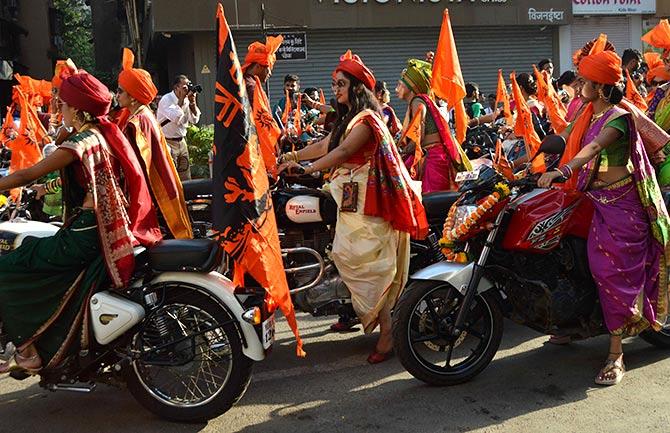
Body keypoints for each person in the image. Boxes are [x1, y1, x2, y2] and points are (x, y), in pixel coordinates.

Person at [0, 71, 161, 374]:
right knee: (32, 250)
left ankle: (27, 348)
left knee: (7, 267)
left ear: (75, 109)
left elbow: (25, 176)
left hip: (84, 235)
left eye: (62, 105)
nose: (58, 109)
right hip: (104, 231)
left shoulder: (82, 142)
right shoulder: (104, 132)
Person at [278, 51, 427, 364]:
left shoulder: (368, 120)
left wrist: (307, 170)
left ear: (358, 88)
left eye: (341, 83)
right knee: (346, 259)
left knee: (366, 267)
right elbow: (325, 145)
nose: (336, 89)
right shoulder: (348, 119)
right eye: (334, 84)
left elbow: (345, 149)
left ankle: (388, 331)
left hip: (366, 204)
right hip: (348, 200)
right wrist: (291, 158)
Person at [538, 50, 669, 386]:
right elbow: (565, 137)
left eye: (584, 81)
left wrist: (564, 170)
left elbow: (594, 148)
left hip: (622, 207)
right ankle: (566, 324)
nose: (578, 84)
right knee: (563, 256)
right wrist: (537, 162)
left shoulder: (617, 119)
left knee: (607, 272)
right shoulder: (585, 112)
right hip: (590, 200)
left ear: (600, 87)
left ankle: (615, 353)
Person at [116, 48, 193, 239]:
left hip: (149, 190)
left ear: (133, 96)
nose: (116, 95)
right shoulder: (140, 114)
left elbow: (135, 164)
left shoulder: (138, 121)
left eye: (120, 91)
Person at [395, 58, 469, 193]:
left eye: (400, 85)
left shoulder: (418, 101)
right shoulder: (418, 101)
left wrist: (399, 153)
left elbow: (419, 136)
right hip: (432, 155)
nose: (396, 89)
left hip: (433, 158)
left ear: (411, 86)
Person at [241, 36, 285, 176]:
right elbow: (261, 121)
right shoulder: (251, 87)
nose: (270, 73)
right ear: (259, 66)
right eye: (268, 68)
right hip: (251, 147)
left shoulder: (243, 81)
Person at [156, 74, 201, 181]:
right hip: (168, 142)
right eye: (184, 87)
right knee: (172, 177)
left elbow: (194, 120)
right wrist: (181, 99)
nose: (188, 89)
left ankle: (186, 197)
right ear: (176, 88)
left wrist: (192, 102)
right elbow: (176, 118)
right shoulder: (166, 100)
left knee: (185, 175)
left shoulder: (186, 100)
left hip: (182, 142)